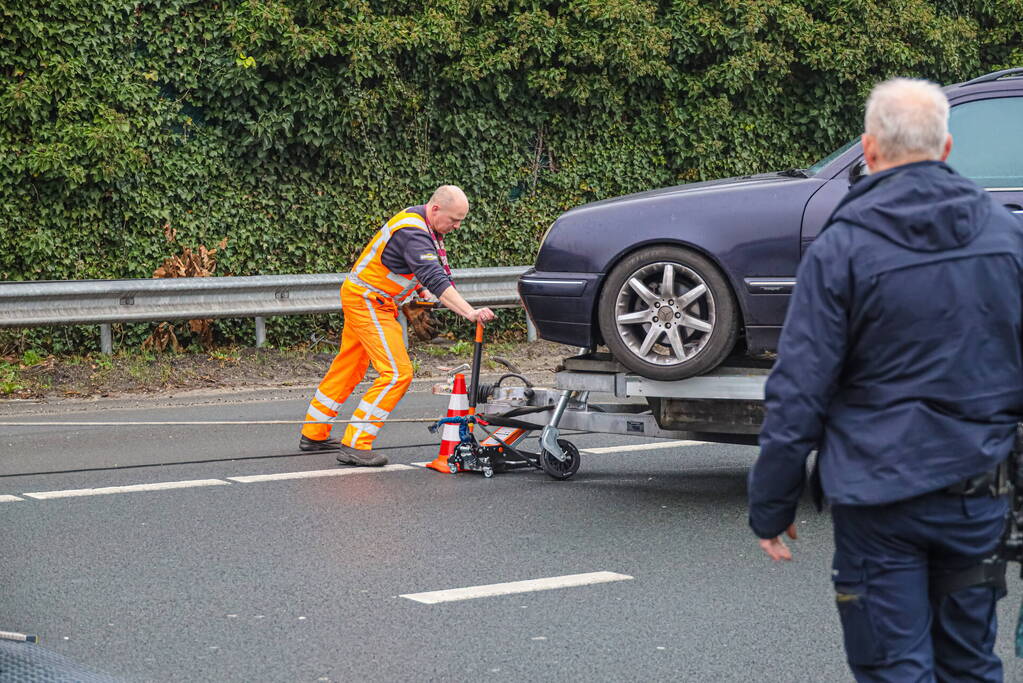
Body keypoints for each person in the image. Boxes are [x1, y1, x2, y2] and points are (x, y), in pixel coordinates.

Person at [748, 78, 1023, 681]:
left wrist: (772, 500)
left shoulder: (842, 247)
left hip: (879, 499)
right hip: (977, 492)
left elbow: (799, 387)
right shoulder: (1007, 238)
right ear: (947, 149)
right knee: (972, 664)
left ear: (869, 152)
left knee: (895, 667)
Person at [299, 185, 496, 466]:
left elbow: (414, 272)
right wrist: (470, 312)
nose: (457, 226)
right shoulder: (414, 232)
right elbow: (435, 278)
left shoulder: (425, 227)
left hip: (368, 297)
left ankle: (314, 433)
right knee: (397, 373)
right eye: (454, 219)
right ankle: (356, 443)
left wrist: (418, 296)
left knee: (350, 367)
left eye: (461, 220)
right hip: (369, 300)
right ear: (436, 209)